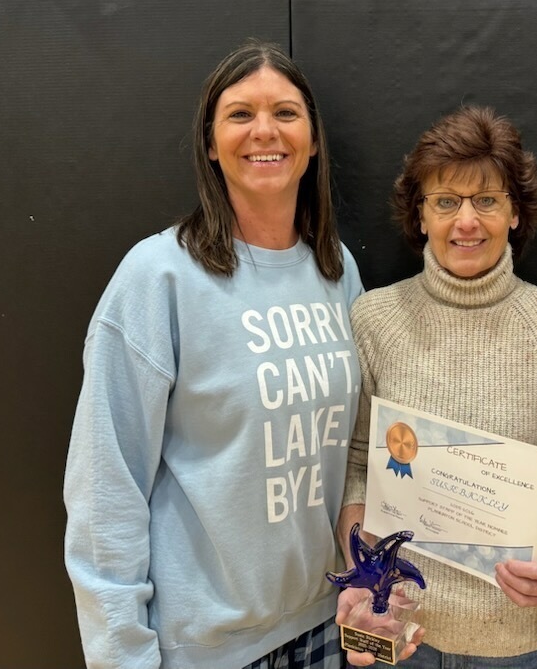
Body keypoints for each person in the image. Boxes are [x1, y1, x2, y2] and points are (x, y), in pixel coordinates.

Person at [63, 40, 397, 669]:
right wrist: (121, 656)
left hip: (326, 625)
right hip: (205, 649)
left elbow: (355, 446)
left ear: (314, 140)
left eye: (286, 113)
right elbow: (107, 486)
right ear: (211, 144)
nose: (264, 130)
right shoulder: (158, 276)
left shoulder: (337, 270)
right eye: (240, 114)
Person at [337, 105, 537, 668]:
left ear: (516, 214)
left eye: (487, 200)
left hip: (520, 640)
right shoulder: (373, 320)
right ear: (421, 215)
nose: (466, 221)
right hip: (397, 634)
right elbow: (356, 466)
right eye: (446, 201)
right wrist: (366, 573)